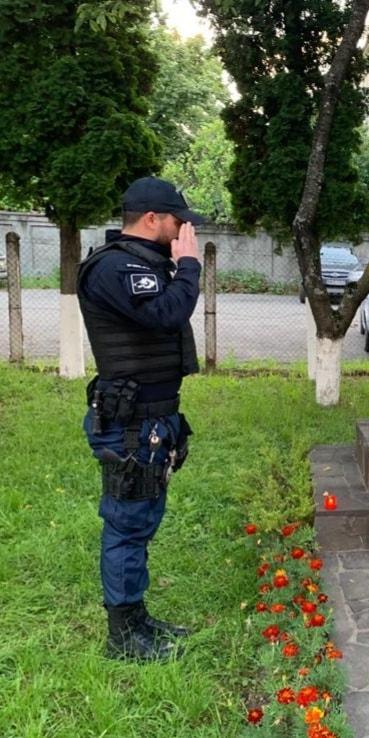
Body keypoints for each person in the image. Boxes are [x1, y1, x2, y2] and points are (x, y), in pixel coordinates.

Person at [78, 176, 205, 661]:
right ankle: (123, 636)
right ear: (152, 218)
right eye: (178, 221)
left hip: (152, 418)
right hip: (131, 423)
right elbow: (166, 314)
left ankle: (136, 618)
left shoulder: (143, 264)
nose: (184, 231)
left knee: (140, 520)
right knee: (127, 524)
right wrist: (189, 265)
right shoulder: (117, 268)